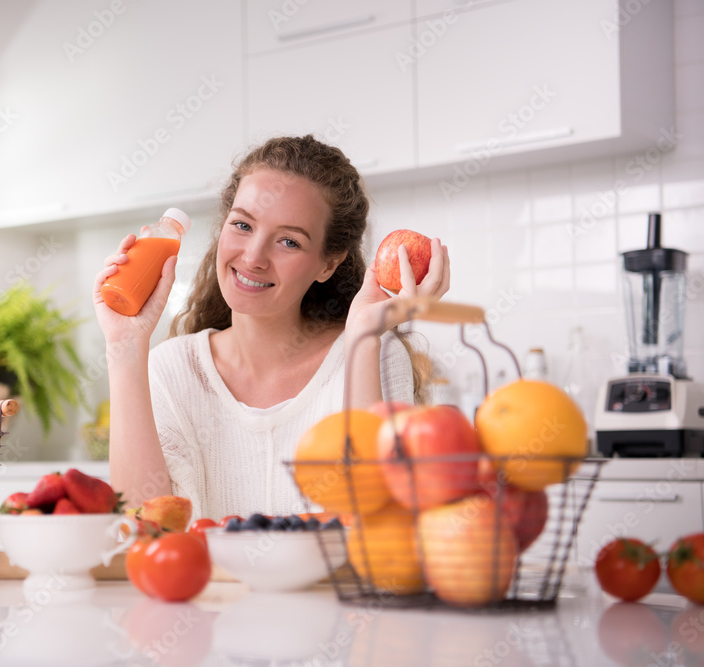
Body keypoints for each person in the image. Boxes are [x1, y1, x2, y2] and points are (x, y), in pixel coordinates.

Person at [93, 135, 450, 520]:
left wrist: (363, 338)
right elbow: (143, 527)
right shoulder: (169, 371)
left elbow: (378, 523)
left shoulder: (374, 353)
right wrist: (126, 347)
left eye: (288, 241)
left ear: (328, 264)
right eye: (243, 225)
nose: (252, 256)